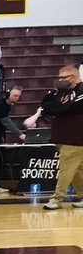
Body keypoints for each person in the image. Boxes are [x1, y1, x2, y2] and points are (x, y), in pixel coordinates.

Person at [42, 62, 83, 211]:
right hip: (61, 136)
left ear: (73, 78)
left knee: (66, 169)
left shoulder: (81, 90)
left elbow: (69, 108)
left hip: (75, 139)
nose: (59, 81)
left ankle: (56, 199)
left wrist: (57, 109)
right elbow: (45, 104)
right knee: (78, 169)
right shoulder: (59, 92)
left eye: (62, 78)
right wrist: (56, 109)